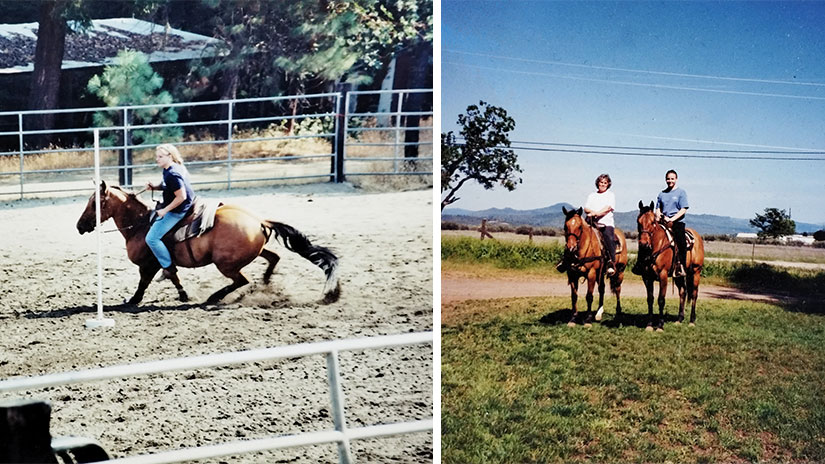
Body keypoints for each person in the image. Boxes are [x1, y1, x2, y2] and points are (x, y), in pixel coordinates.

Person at [145, 144, 195, 279]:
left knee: (152, 238)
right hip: (186, 203)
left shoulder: (172, 174)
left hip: (179, 209)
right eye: (157, 156)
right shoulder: (171, 169)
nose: (157, 159)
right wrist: (155, 187)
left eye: (160, 156)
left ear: (170, 156)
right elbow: (168, 186)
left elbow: (181, 196)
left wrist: (165, 210)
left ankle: (168, 268)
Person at [655, 169, 688, 278]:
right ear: (665, 180)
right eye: (668, 179)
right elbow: (658, 208)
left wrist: (672, 219)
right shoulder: (661, 194)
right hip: (663, 221)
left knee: (681, 243)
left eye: (672, 179)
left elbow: (683, 209)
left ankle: (681, 266)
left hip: (677, 222)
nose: (670, 181)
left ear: (676, 179)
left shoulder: (681, 193)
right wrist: (659, 216)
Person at [584, 173, 617, 276]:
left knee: (609, 239)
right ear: (597, 183)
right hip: (591, 223)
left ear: (608, 184)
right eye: (601, 182)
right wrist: (592, 212)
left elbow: (608, 208)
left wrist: (595, 213)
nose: (602, 184)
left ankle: (611, 262)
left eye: (605, 183)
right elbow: (586, 208)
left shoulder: (610, 195)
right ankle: (568, 259)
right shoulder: (592, 195)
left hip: (605, 224)